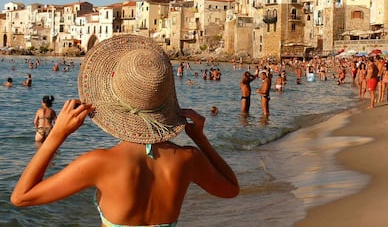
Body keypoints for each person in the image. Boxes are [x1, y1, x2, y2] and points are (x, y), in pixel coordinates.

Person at [11, 35, 239, 226]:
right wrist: (200, 139)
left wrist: (57, 135)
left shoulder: (99, 163)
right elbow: (231, 189)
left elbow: (21, 197)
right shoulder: (189, 159)